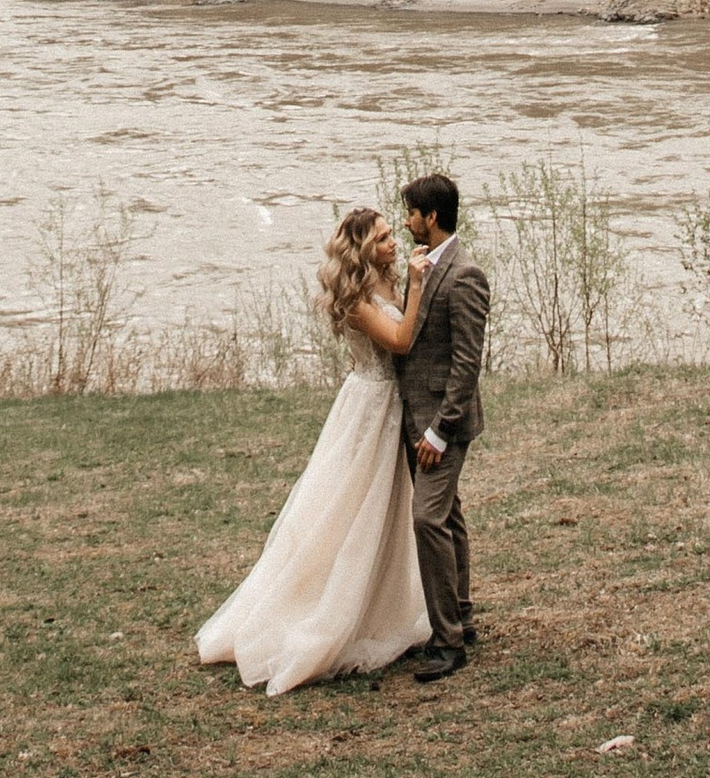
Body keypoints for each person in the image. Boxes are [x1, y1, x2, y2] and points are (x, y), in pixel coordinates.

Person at [194, 207, 435, 697]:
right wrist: (418, 284)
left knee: (387, 511)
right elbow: (401, 340)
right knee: (349, 510)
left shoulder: (386, 284)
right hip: (369, 408)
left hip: (391, 406)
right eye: (385, 239)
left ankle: (379, 605)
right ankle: (325, 616)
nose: (393, 243)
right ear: (363, 248)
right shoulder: (355, 300)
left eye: (393, 235)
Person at [392, 171, 489, 683]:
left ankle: (448, 642)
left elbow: (466, 364)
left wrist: (438, 431)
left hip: (442, 424)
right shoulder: (425, 267)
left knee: (427, 519)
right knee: (448, 515)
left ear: (431, 216)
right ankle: (464, 617)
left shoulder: (465, 274)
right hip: (415, 415)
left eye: (411, 212)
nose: (406, 220)